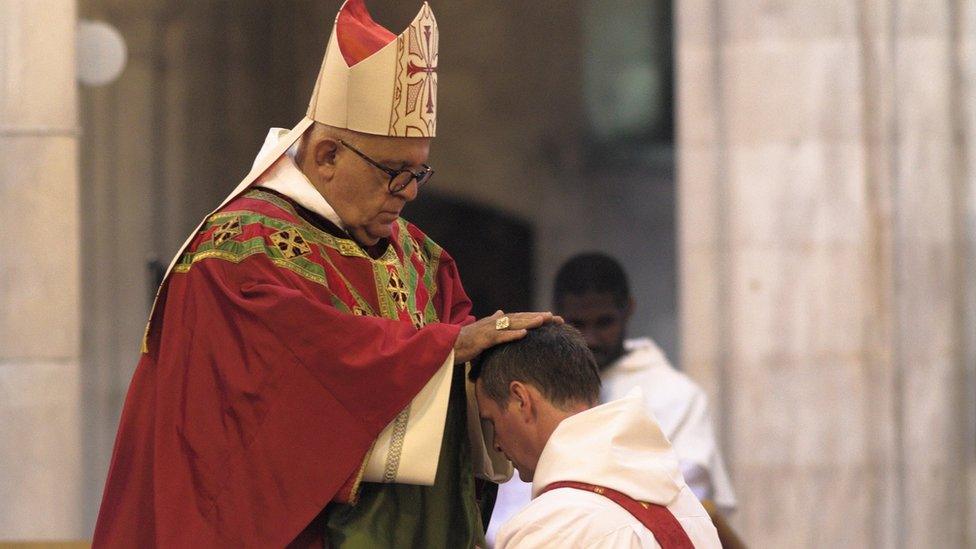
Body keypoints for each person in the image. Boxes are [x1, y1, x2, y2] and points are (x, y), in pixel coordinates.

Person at [92, 1, 550, 546]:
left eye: (419, 171)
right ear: (328, 154)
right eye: (393, 173)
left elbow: (458, 361)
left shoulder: (420, 259)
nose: (409, 193)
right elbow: (275, 399)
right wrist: (442, 348)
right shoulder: (235, 255)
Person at [487, 253, 736, 546]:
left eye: (603, 323)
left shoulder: (556, 525)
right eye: (578, 324)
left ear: (522, 400)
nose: (590, 339)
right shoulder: (689, 514)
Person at [471, 324, 721, 548]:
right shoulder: (688, 507)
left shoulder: (553, 527)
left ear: (521, 400)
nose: (496, 444)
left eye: (492, 421)